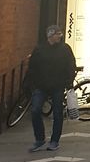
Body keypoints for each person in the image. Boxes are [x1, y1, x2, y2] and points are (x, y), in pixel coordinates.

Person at [23, 24, 77, 153]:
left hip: (58, 86)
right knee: (35, 110)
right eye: (57, 34)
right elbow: (32, 67)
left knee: (57, 113)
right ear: (50, 36)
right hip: (41, 86)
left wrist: (68, 81)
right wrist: (33, 83)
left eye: (60, 34)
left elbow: (71, 65)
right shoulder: (39, 49)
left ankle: (54, 141)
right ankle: (40, 139)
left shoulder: (65, 49)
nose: (60, 36)